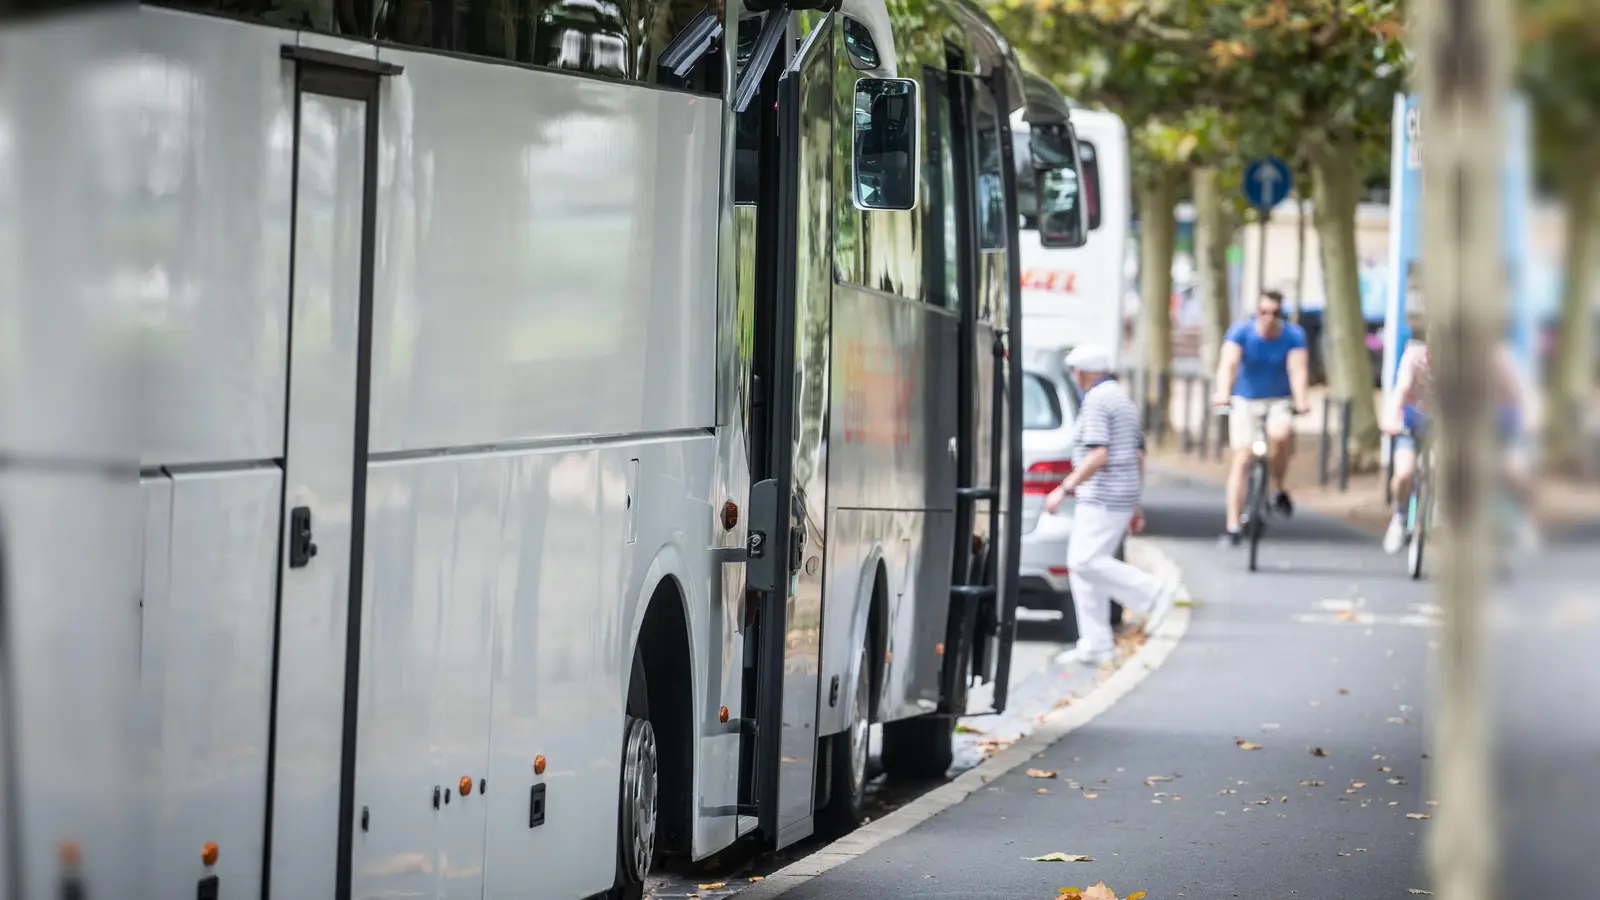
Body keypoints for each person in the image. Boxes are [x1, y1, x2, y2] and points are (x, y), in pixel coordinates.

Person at [1044, 344, 1180, 666]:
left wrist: (1064, 488)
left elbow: (1099, 454)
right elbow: (1135, 456)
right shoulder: (1121, 398)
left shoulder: (1096, 401)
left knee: (1084, 561)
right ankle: (1095, 643)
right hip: (1118, 494)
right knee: (1084, 567)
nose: (1075, 378)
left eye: (1075, 372)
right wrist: (1135, 504)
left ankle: (1152, 593)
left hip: (1102, 495)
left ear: (1083, 372)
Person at [1211, 290, 1311, 547]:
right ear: (1256, 313)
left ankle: (1277, 487)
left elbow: (1297, 369)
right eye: (1264, 312)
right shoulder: (1241, 332)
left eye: (1275, 313)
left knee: (1281, 435)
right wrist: (1223, 393)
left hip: (1278, 399)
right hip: (1245, 399)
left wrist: (1301, 400)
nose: (1269, 318)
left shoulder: (1293, 336)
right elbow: (1228, 364)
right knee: (1243, 458)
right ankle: (1233, 525)